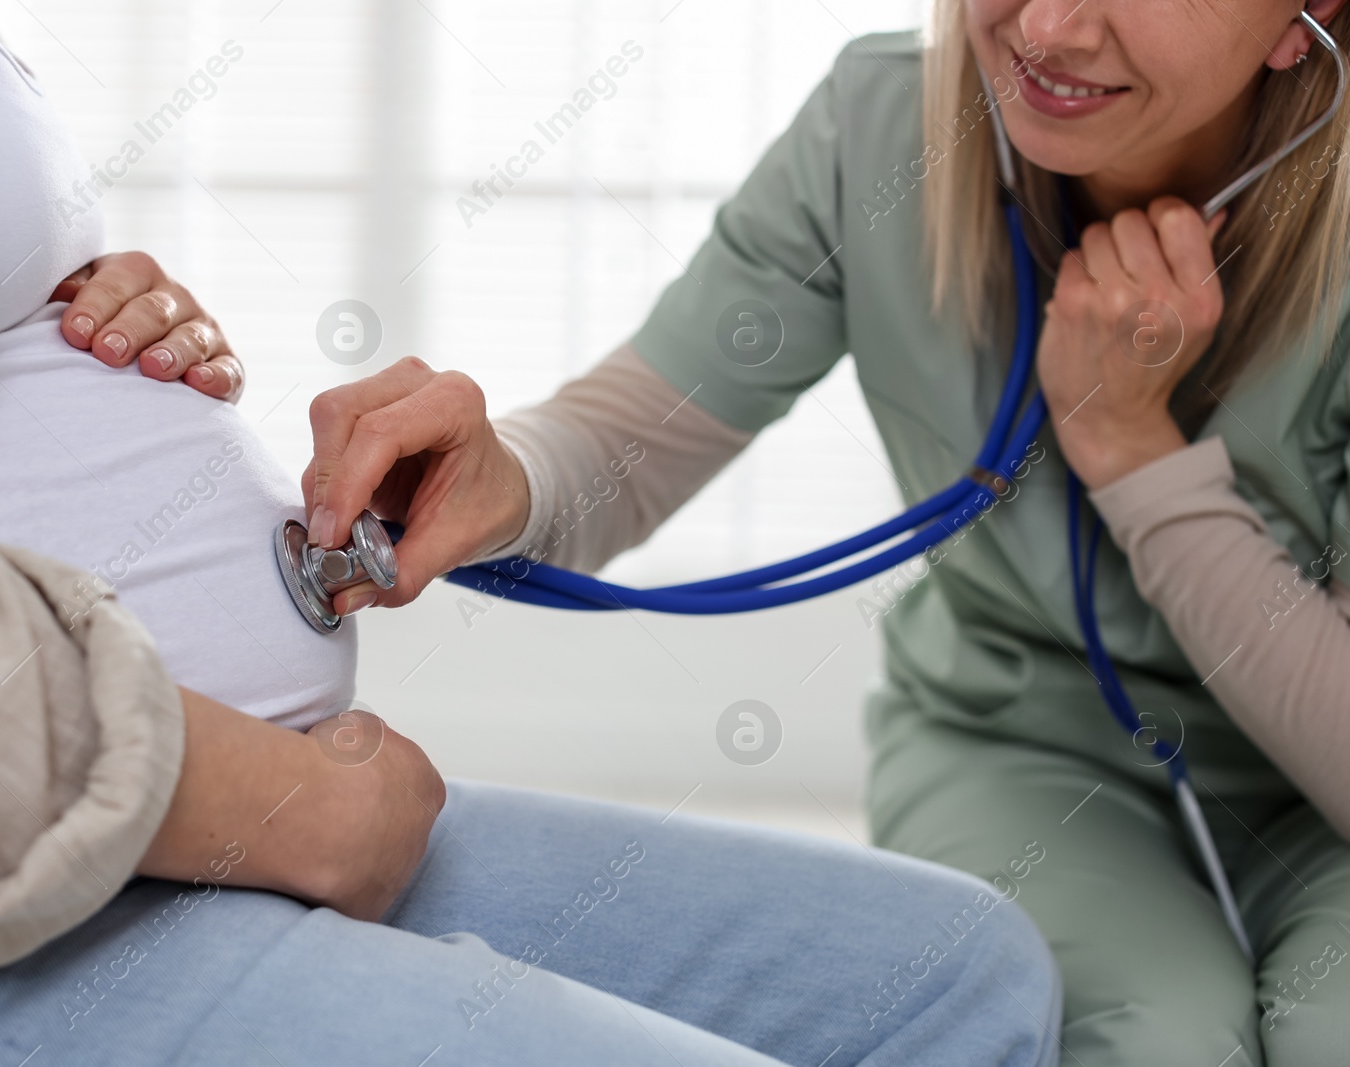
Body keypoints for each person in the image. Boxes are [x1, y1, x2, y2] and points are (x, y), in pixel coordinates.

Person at [0, 2, 1063, 1065]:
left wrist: (52, 319)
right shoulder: (883, 122)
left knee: (959, 976)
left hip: (162, 816)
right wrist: (286, 804)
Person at [302, 1, 1350, 1063]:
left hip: (1322, 796)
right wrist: (501, 477)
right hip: (1018, 745)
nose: (1048, 23)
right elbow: (632, 437)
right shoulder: (882, 126)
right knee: (1146, 1045)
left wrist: (1133, 451)